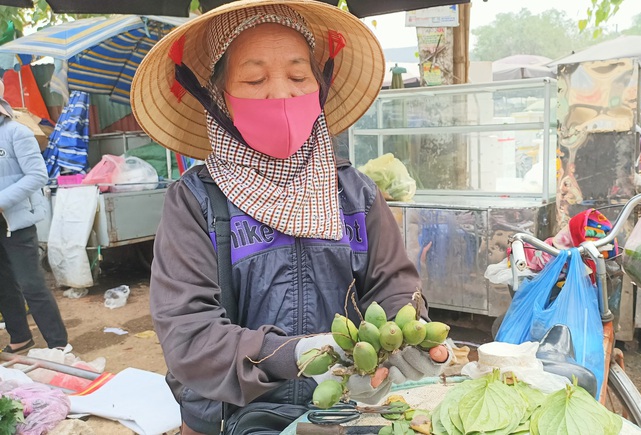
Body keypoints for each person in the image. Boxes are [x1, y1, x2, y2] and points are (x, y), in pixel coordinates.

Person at [130, 1, 451, 434]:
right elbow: (189, 336)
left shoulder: (355, 194)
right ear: (219, 98)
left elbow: (393, 285)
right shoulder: (195, 203)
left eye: (299, 77)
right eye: (254, 78)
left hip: (343, 414)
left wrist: (407, 330)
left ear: (320, 87)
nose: (281, 93)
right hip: (228, 421)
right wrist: (294, 355)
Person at [0, 80, 69, 353]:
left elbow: (38, 176)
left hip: (16, 221)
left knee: (31, 284)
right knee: (3, 284)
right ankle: (20, 336)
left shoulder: (17, 132)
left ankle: (58, 344)